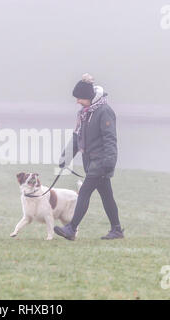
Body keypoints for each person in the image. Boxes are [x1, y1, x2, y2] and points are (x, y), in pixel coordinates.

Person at [54, 73, 124, 240]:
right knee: (107, 195)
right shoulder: (84, 114)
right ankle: (117, 230)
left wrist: (109, 161)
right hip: (91, 161)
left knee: (84, 192)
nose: (77, 101)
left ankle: (71, 229)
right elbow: (77, 137)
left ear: (89, 97)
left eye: (80, 98)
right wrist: (65, 158)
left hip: (100, 162)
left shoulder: (104, 112)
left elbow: (110, 139)